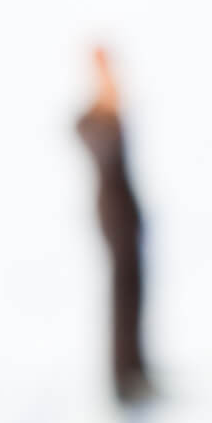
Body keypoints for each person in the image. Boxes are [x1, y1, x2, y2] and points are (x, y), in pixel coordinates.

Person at [76, 46, 153, 404]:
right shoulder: (89, 121)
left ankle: (137, 371)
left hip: (129, 218)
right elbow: (105, 154)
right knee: (122, 300)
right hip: (113, 219)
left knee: (135, 296)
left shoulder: (113, 113)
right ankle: (124, 382)